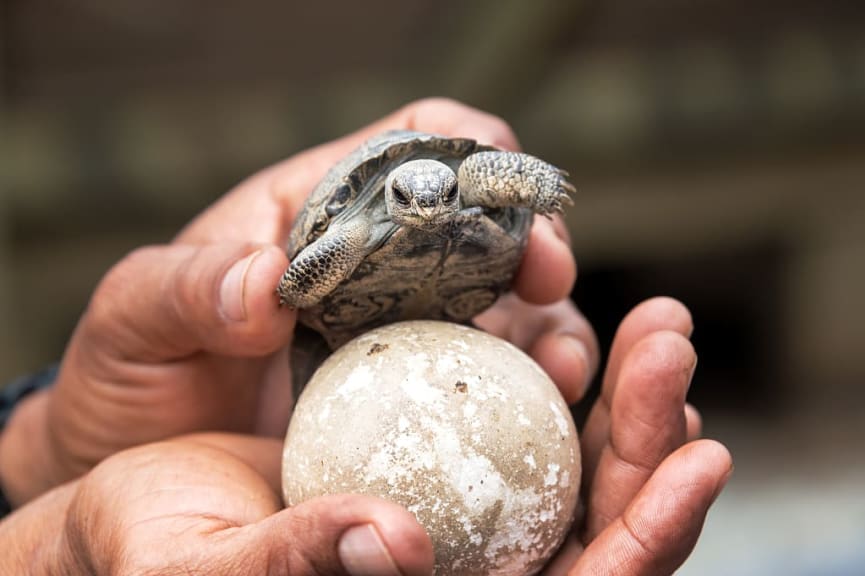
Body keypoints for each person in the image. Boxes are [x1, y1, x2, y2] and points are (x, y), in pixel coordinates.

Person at [0, 98, 732, 575]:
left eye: (441, 195)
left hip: (449, 308)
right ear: (391, 194)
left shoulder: (465, 180)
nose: (427, 210)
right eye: (412, 198)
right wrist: (287, 287)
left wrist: (529, 185)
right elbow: (301, 279)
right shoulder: (355, 227)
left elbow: (491, 176)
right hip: (350, 317)